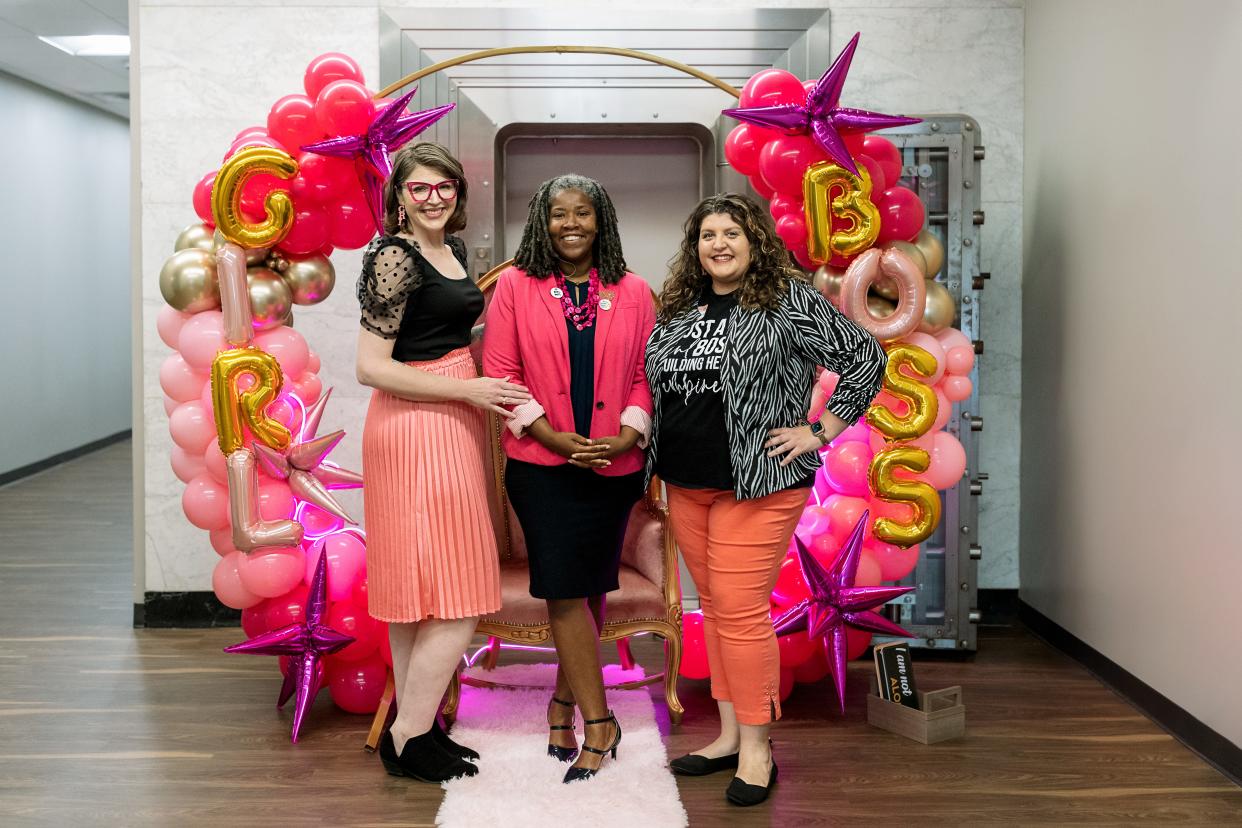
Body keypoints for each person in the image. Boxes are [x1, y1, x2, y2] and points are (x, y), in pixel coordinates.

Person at [646, 193, 887, 806]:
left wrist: (822, 429)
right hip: (688, 483)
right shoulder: (678, 308)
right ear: (694, 246)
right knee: (720, 612)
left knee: (740, 609)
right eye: (707, 235)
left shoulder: (785, 298)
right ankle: (728, 736)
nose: (718, 244)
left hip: (762, 482)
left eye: (731, 232)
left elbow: (864, 356)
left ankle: (758, 749)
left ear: (754, 240)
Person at [355, 142, 531, 782]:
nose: (433, 198)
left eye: (444, 187)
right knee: (454, 595)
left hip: (448, 419)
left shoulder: (450, 252)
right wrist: (469, 389)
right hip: (413, 426)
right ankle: (405, 737)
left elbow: (450, 333)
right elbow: (371, 366)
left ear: (458, 193)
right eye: (419, 188)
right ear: (399, 197)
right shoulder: (393, 258)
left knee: (418, 595)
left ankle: (417, 730)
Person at [482, 173, 655, 784]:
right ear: (542, 222)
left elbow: (645, 373)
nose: (572, 224)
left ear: (601, 220)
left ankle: (562, 705)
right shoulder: (514, 287)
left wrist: (630, 434)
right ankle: (600, 723)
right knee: (561, 589)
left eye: (584, 212)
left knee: (590, 590)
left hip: (615, 466)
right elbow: (501, 373)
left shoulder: (635, 290)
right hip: (542, 466)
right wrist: (550, 435)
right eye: (559, 214)